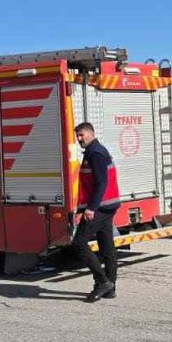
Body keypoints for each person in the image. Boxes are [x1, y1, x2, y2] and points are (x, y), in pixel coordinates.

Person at [73, 122, 121, 303]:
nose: (79, 139)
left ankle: (102, 282)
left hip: (101, 207)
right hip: (107, 205)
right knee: (106, 245)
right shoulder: (94, 152)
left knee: (79, 243)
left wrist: (91, 208)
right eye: (77, 136)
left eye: (82, 135)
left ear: (91, 133)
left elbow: (101, 183)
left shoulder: (96, 153)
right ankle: (111, 287)